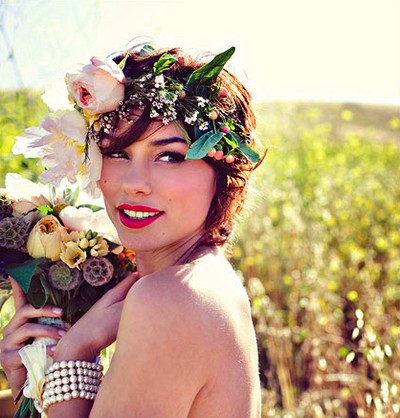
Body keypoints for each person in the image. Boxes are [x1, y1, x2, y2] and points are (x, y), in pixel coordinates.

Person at [0, 42, 264, 417]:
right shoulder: (201, 281)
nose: (134, 183)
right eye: (117, 152)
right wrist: (31, 381)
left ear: (222, 175)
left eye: (169, 156)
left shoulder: (171, 299)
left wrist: (76, 351)